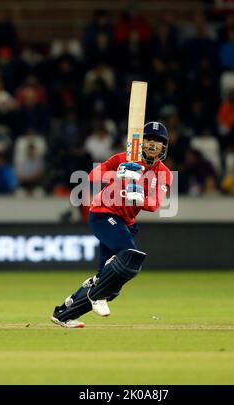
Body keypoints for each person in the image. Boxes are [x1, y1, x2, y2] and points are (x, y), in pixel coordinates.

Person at [51, 121, 173, 328]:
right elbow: (92, 177)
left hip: (126, 222)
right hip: (103, 213)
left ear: (164, 147)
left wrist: (138, 194)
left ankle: (64, 314)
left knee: (111, 285)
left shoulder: (164, 174)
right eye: (148, 139)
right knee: (129, 255)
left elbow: (153, 205)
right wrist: (119, 174)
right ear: (140, 143)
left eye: (158, 141)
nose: (152, 144)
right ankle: (96, 295)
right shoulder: (122, 159)